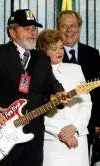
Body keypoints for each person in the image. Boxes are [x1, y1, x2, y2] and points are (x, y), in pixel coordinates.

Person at [0, 9, 71, 166]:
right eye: (26, 28)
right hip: (1, 136)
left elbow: (51, 82)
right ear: (12, 32)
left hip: (33, 141)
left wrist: (59, 91)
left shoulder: (41, 58)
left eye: (34, 29)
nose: (32, 33)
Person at [36, 29, 92, 166]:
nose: (60, 52)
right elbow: (35, 111)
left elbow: (86, 103)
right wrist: (61, 134)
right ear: (43, 51)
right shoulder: (35, 74)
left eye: (61, 47)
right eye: (54, 48)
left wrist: (74, 127)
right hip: (52, 142)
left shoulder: (75, 69)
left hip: (78, 138)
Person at [56, 9, 100, 155]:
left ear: (79, 28)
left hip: (85, 125)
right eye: (64, 26)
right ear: (58, 29)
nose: (69, 30)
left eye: (73, 25)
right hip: (56, 125)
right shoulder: (47, 55)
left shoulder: (93, 54)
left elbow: (97, 93)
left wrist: (97, 122)